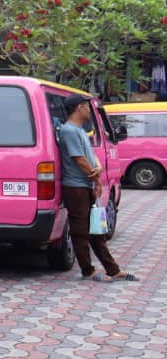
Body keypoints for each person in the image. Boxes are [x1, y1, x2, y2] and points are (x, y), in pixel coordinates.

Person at [58, 93, 137, 283]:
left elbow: (90, 156)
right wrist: (97, 180)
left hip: (85, 185)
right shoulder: (68, 131)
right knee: (80, 231)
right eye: (86, 106)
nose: (89, 109)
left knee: (96, 229)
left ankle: (113, 269)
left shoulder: (80, 131)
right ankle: (88, 271)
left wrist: (98, 169)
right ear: (79, 108)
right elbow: (79, 159)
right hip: (75, 187)